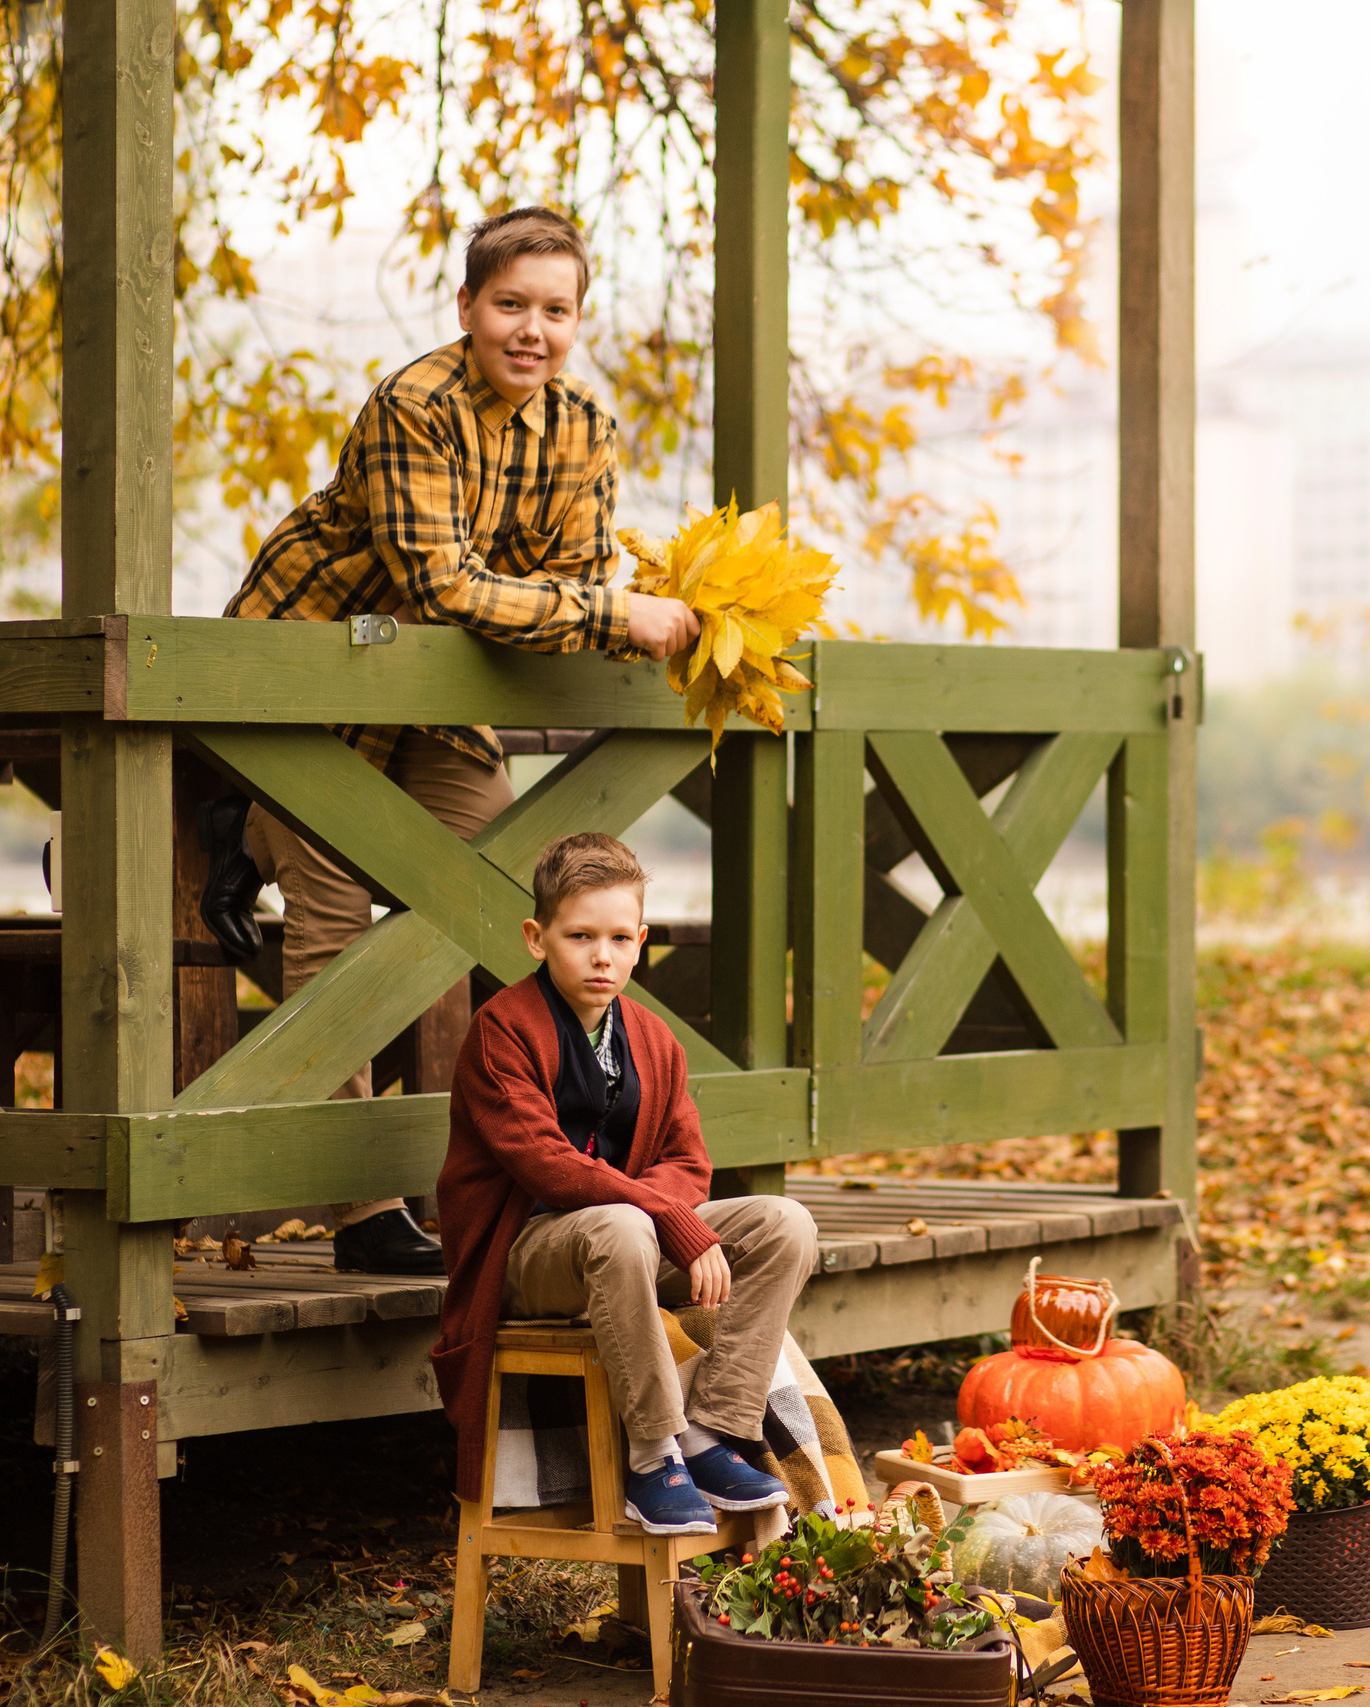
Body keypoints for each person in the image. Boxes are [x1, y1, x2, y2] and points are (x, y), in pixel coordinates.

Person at [200, 205, 702, 1276]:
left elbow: (562, 586)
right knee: (331, 925)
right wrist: (618, 617)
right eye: (509, 303)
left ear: (579, 320)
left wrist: (621, 612)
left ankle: (567, 1169)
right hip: (318, 671)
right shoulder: (412, 408)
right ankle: (365, 1211)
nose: (532, 329)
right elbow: (444, 585)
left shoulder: (584, 431)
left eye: (555, 310)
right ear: (467, 307)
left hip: (431, 687)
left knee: (522, 897)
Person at [429, 833, 820, 1533]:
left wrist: (668, 1213)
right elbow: (546, 1161)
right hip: (525, 1254)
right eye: (579, 935)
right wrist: (669, 1217)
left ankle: (714, 1429)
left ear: (640, 941)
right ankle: (651, 1454)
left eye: (618, 937)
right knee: (623, 1223)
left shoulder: (652, 1037)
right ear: (536, 936)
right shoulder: (502, 1033)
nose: (601, 955)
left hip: (629, 1244)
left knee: (785, 1224)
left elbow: (687, 1158)